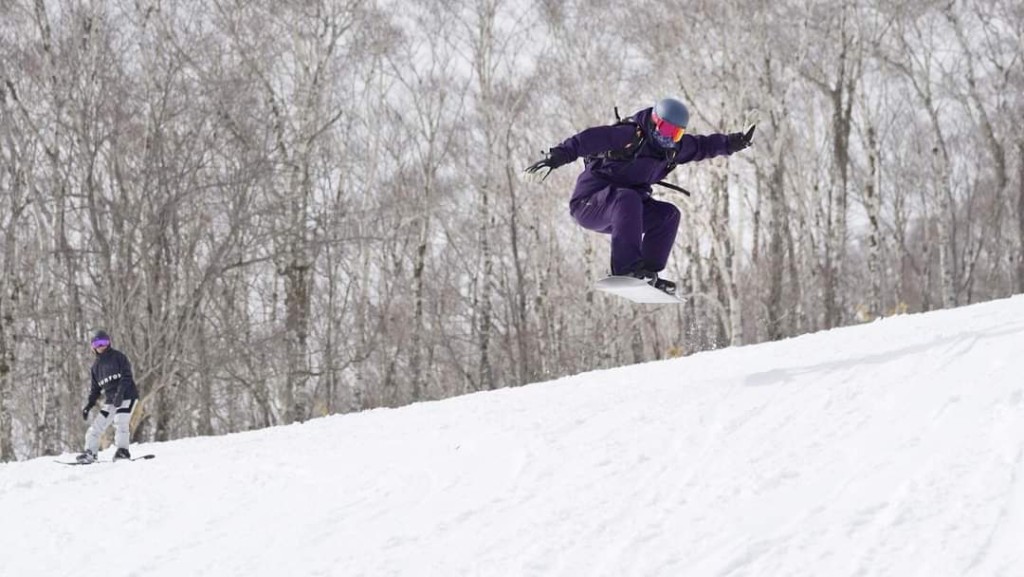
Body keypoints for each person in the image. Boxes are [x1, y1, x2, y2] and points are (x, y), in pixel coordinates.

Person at [524, 97, 754, 294]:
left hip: (626, 212)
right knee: (628, 198)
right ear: (654, 122)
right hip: (590, 204)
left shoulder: (672, 149)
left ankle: (648, 274)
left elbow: (704, 146)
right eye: (665, 129)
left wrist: (736, 141)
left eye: (676, 133)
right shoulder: (628, 135)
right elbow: (584, 141)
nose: (669, 137)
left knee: (668, 215)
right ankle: (625, 270)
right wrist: (554, 159)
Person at [77, 330, 139, 463]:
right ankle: (91, 453)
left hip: (127, 395)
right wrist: (88, 405)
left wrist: (120, 394)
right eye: (98, 343)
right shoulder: (95, 368)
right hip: (111, 401)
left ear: (109, 343)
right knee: (96, 426)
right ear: (93, 347)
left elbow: (127, 376)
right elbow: (95, 390)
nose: (101, 346)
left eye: (104, 342)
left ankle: (123, 451)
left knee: (121, 421)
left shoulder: (118, 357)